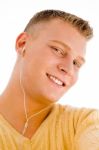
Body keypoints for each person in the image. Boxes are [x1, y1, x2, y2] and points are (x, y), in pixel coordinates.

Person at [0, 9, 99, 150]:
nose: (69, 69)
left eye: (76, 63)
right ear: (22, 44)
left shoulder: (84, 123)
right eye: (58, 50)